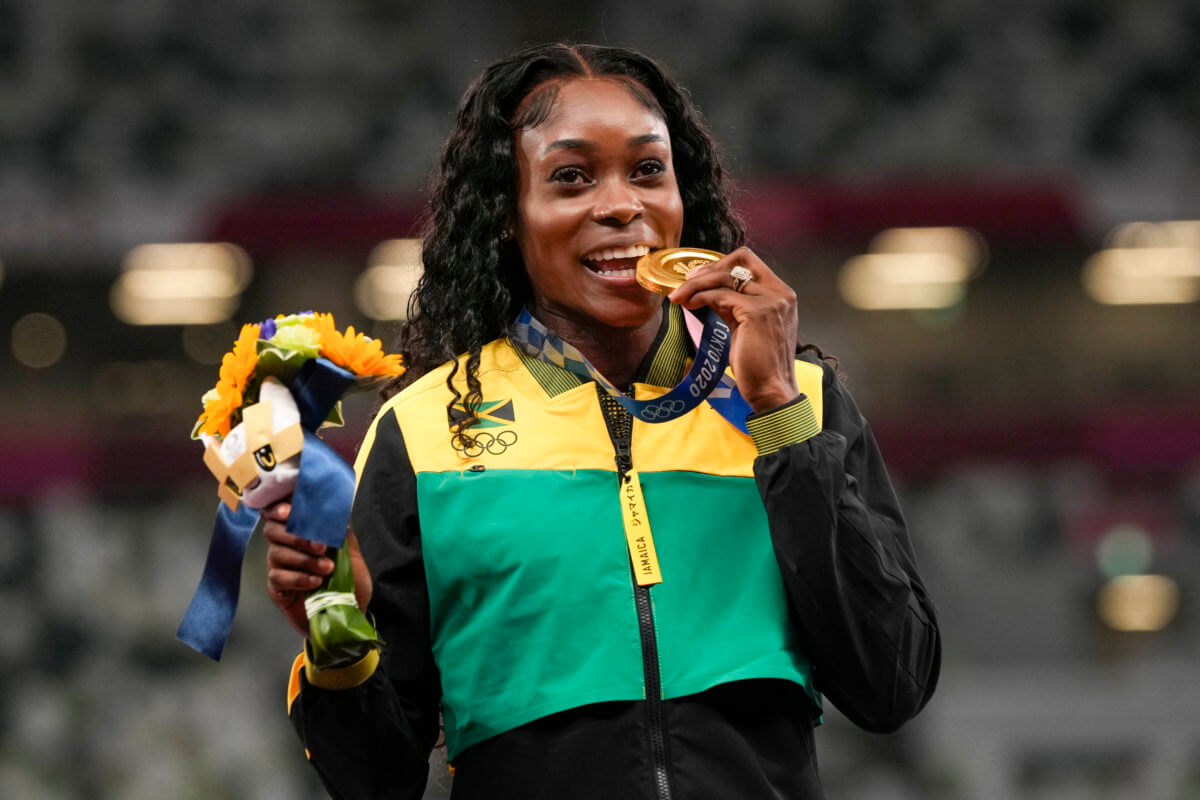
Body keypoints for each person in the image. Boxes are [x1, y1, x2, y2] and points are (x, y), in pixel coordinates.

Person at [263, 42, 940, 800]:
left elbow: (892, 685)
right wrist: (336, 633)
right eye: (571, 178)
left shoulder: (798, 403)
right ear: (506, 217)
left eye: (648, 170)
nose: (621, 204)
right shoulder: (424, 432)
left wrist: (779, 412)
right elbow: (378, 778)